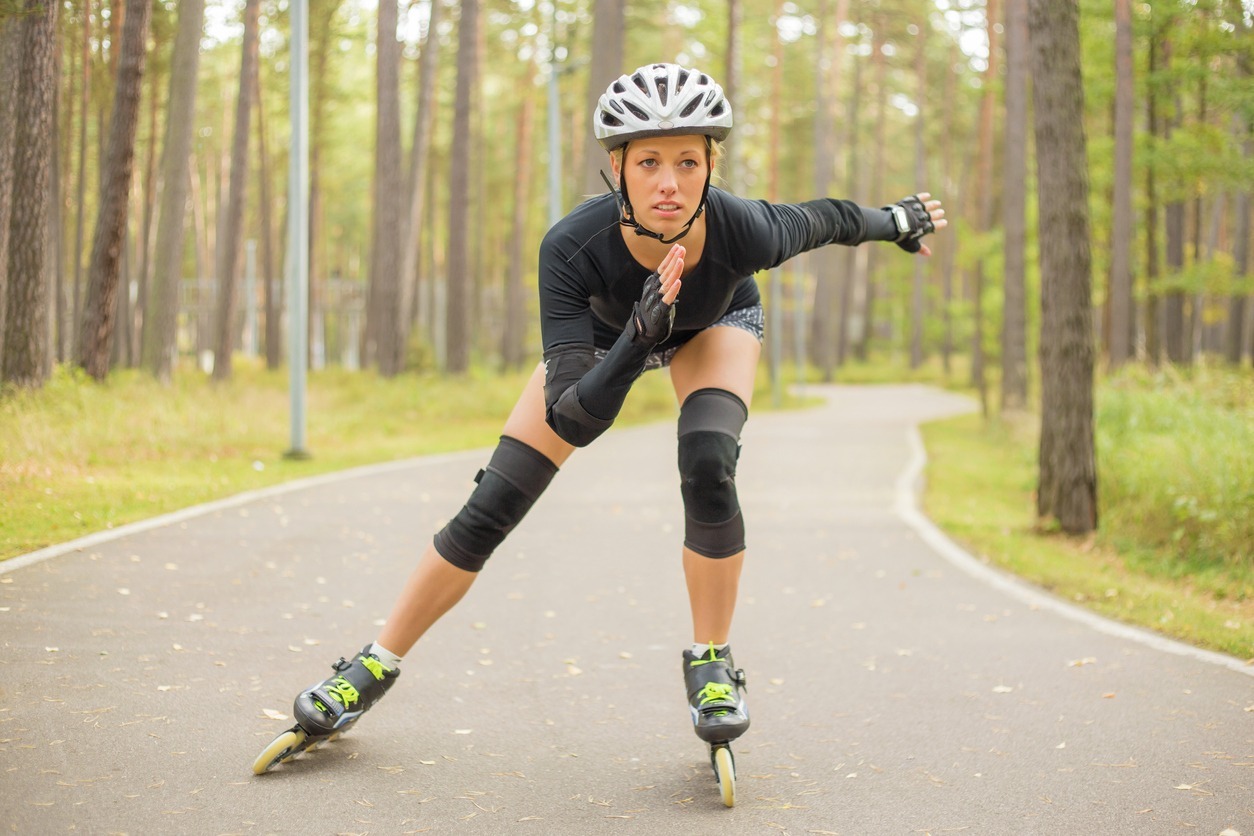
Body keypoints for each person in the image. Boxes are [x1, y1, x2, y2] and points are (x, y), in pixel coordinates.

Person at [271, 62, 945, 761]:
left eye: (689, 161)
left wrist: (895, 222)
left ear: (711, 166)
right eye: (649, 161)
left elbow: (827, 219)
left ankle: (711, 662)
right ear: (617, 169)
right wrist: (635, 341)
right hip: (604, 340)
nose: (669, 183)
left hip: (715, 321)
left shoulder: (744, 228)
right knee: (493, 502)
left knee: (709, 463)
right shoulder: (571, 248)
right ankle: (373, 665)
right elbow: (574, 420)